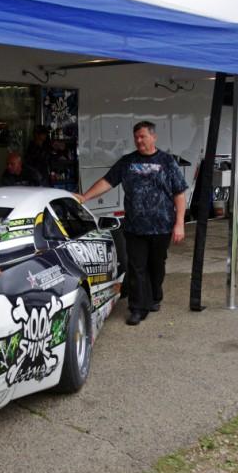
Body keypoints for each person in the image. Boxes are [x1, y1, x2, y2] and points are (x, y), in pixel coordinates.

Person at [78, 121, 187, 326]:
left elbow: (179, 193)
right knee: (137, 267)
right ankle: (137, 308)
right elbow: (107, 181)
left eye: (143, 136)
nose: (139, 140)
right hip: (134, 227)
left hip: (161, 226)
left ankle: (155, 296)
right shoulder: (127, 162)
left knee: (157, 265)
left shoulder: (167, 162)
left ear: (153, 137)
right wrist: (85, 197)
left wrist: (179, 223)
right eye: (136, 137)